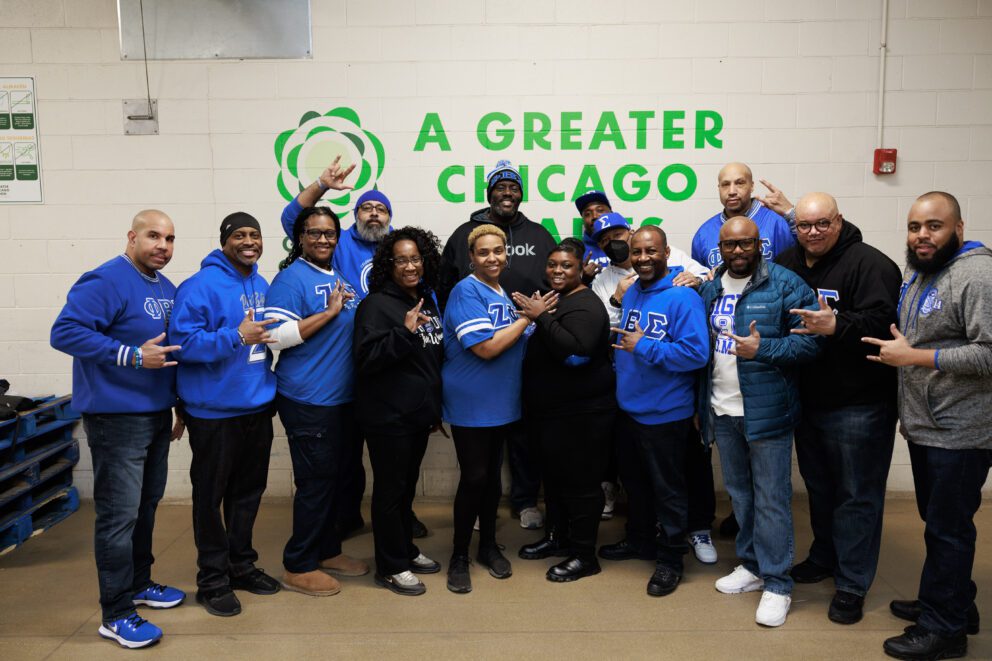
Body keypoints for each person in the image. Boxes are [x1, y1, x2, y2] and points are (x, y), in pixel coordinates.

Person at [862, 192, 992, 661]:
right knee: (939, 524)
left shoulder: (977, 274)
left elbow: (989, 353)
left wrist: (914, 358)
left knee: (948, 530)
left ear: (959, 228)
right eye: (915, 226)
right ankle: (954, 601)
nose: (922, 235)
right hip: (929, 426)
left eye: (934, 226)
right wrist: (911, 412)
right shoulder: (925, 270)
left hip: (961, 431)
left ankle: (945, 630)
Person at [50, 210, 185, 649]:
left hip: (154, 414)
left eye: (168, 239)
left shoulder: (166, 289)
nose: (162, 245)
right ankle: (115, 613)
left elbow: (167, 354)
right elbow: (64, 332)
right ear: (131, 237)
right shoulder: (105, 279)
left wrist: (178, 404)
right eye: (153, 236)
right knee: (118, 517)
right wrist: (128, 354)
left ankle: (139, 585)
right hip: (115, 418)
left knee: (145, 508)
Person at [775, 193, 902, 625]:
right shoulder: (790, 260)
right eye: (805, 225)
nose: (813, 232)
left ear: (839, 221)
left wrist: (837, 324)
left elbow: (885, 323)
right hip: (807, 400)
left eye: (822, 224)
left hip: (859, 404)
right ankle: (824, 557)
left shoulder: (871, 264)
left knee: (856, 496)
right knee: (821, 488)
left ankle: (851, 583)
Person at [279, 158, 420, 537]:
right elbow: (294, 218)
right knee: (334, 464)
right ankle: (338, 527)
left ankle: (385, 516)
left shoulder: (396, 252)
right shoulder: (337, 248)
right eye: (366, 208)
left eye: (381, 209)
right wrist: (321, 185)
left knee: (365, 457)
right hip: (327, 377)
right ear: (354, 215)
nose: (373, 215)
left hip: (371, 370)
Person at [697, 216, 819, 628]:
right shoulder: (710, 287)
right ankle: (751, 566)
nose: (738, 252)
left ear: (759, 245)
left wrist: (763, 348)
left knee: (771, 498)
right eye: (730, 245)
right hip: (723, 409)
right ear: (721, 246)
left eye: (746, 244)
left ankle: (779, 583)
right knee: (741, 495)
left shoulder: (785, 284)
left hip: (767, 412)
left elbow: (810, 341)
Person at [588, 211, 717, 565]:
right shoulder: (631, 294)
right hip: (629, 410)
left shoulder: (682, 297)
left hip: (665, 414)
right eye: (638, 252)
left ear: (665, 253)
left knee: (669, 491)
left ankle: (672, 558)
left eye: (651, 252)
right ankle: (639, 539)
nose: (643, 258)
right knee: (637, 486)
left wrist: (644, 346)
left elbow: (696, 354)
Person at [169, 212, 281, 617]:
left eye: (255, 234)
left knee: (248, 494)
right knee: (210, 498)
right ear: (224, 241)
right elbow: (183, 345)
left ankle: (240, 565)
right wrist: (235, 335)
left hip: (257, 407)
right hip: (213, 413)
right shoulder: (198, 287)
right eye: (240, 235)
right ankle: (212, 580)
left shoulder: (262, 284)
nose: (249, 241)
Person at [439, 159, 558, 530]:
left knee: (520, 436)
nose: (508, 193)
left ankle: (523, 499)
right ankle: (476, 509)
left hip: (524, 356)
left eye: (514, 187)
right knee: (478, 452)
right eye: (500, 187)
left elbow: (556, 281)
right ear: (489, 191)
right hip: (478, 356)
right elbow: (445, 286)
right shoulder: (463, 235)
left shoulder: (540, 234)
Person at [441, 224, 557, 594]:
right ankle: (459, 555)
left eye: (498, 251)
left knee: (491, 478)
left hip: (502, 400)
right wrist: (530, 317)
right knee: (474, 477)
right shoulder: (465, 291)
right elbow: (486, 348)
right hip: (471, 399)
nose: (492, 258)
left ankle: (487, 546)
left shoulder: (503, 291)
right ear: (471, 258)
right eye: (483, 252)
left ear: (507, 254)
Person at [263, 206, 370, 598]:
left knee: (338, 479)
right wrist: (327, 315)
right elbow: (273, 337)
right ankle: (298, 563)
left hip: (340, 399)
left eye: (329, 234)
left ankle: (327, 551)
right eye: (314, 233)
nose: (323, 239)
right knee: (315, 483)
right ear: (300, 238)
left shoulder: (336, 276)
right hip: (308, 398)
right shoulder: (291, 279)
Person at [514, 238, 615, 582]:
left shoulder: (586, 304)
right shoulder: (555, 301)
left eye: (566, 266)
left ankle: (585, 555)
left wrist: (541, 318)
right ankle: (559, 538)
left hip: (582, 415)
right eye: (553, 264)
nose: (558, 271)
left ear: (581, 268)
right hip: (551, 414)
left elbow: (576, 355)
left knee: (582, 485)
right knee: (555, 482)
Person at [353, 226, 446, 596]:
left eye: (415, 258)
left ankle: (404, 549)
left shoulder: (424, 298)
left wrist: (432, 408)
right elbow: (366, 359)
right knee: (391, 493)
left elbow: (429, 359)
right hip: (387, 417)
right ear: (388, 264)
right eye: (401, 259)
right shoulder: (376, 305)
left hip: (416, 416)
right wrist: (404, 333)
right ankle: (390, 567)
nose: (410, 265)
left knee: (405, 492)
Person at [691, 163, 796, 270]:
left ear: (752, 186)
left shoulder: (777, 222)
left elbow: (806, 256)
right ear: (719, 188)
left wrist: (791, 213)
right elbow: (700, 280)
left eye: (739, 183)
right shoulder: (703, 234)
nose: (732, 191)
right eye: (725, 184)